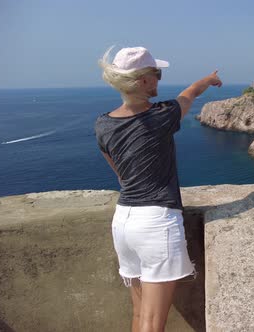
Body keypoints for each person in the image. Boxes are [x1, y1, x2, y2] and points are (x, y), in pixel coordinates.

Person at [94, 46, 222, 332]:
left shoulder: (102, 124)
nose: (159, 80)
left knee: (140, 315)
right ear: (143, 81)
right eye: (157, 74)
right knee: (153, 324)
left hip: (123, 222)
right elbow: (190, 94)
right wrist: (209, 80)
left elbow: (121, 176)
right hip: (155, 224)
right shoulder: (162, 116)